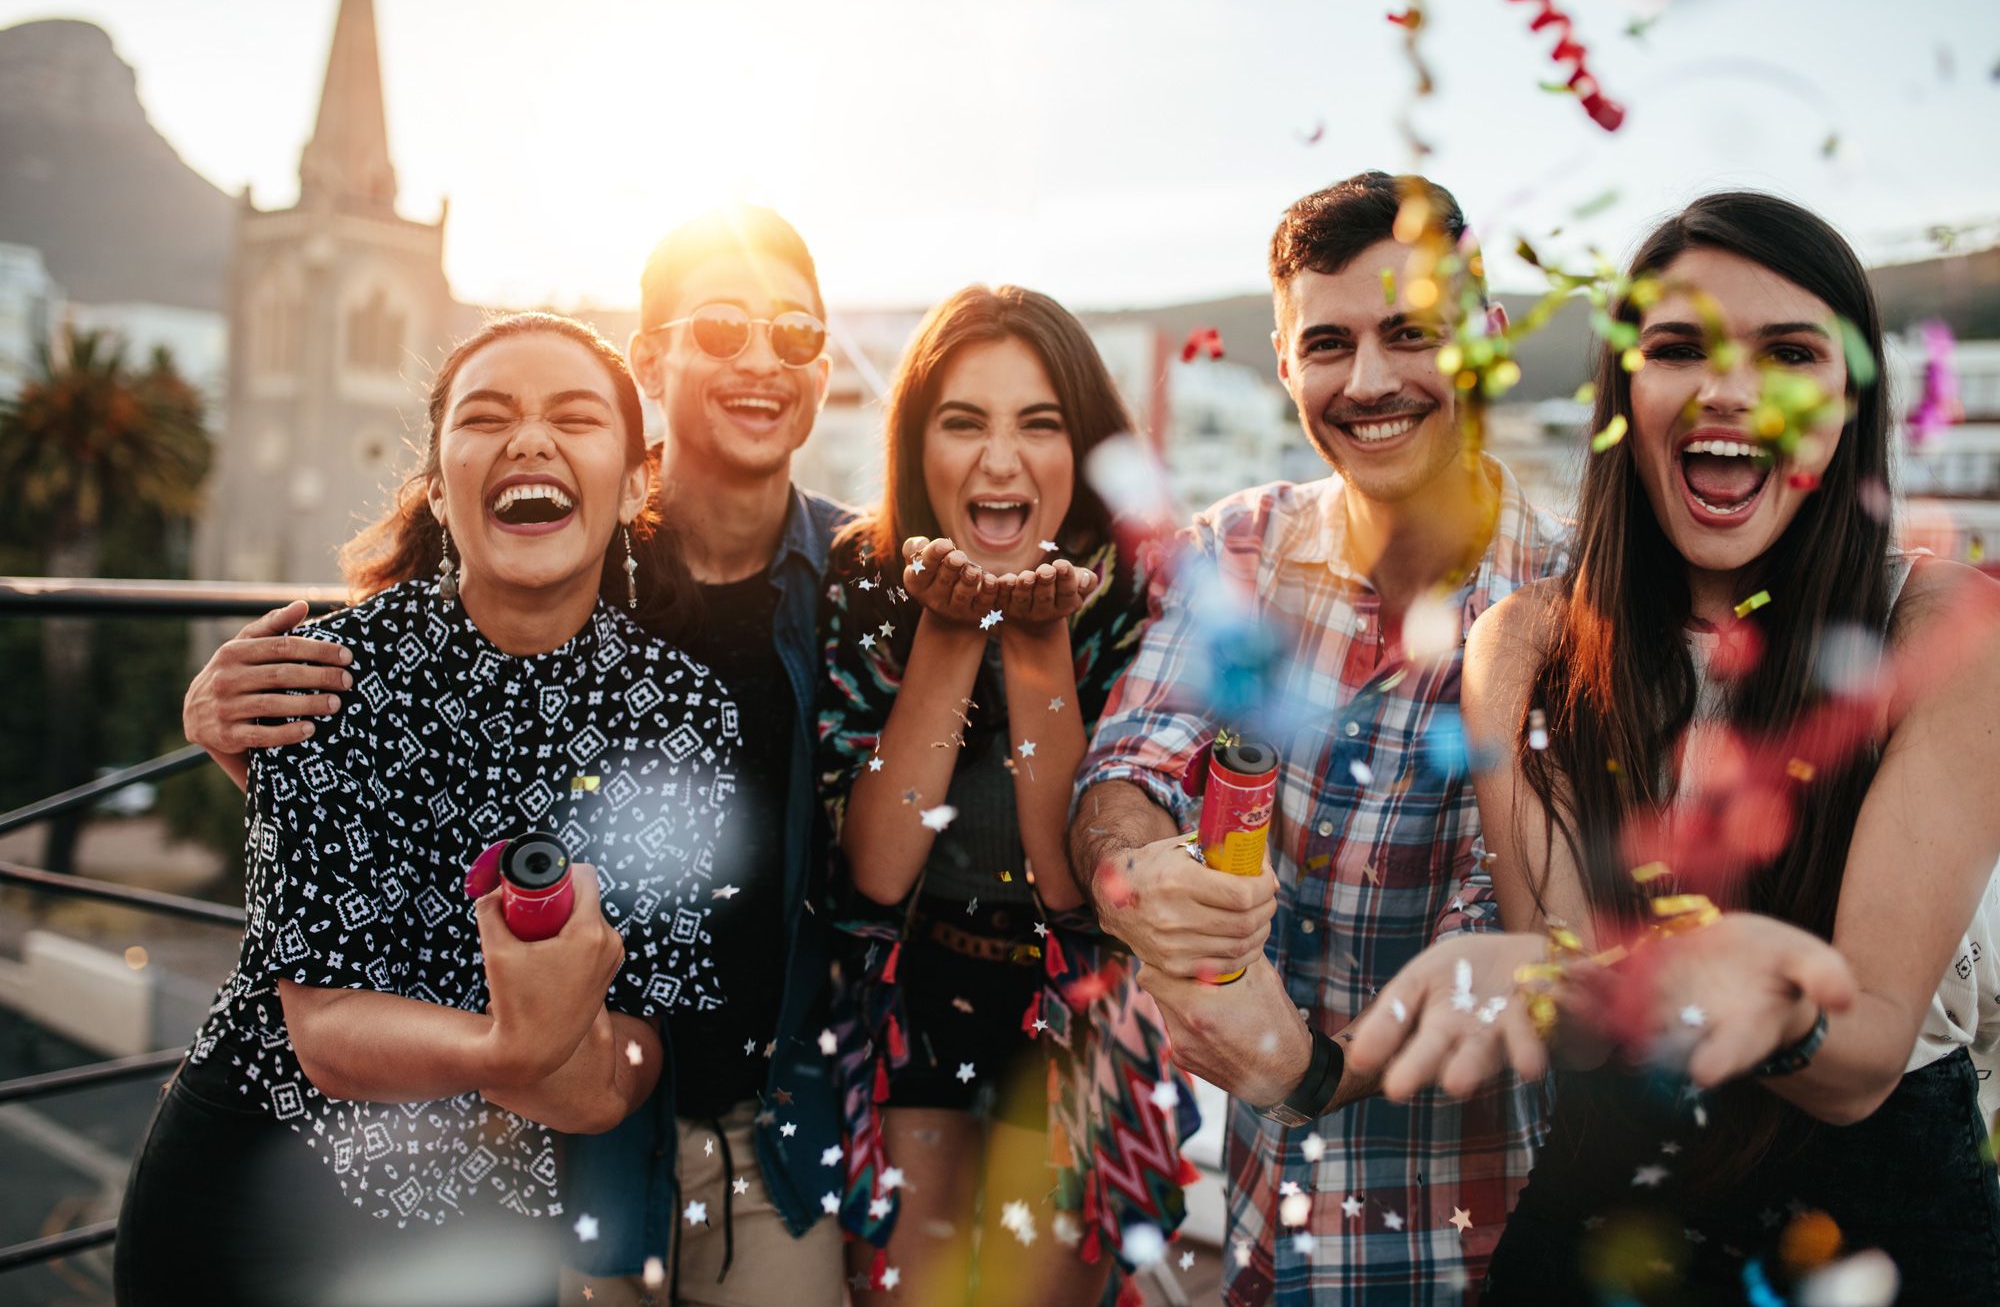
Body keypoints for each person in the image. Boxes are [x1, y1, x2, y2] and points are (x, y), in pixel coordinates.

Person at [178, 209, 851, 1305]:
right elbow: (399, 730)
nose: (760, 360)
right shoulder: (542, 551)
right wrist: (224, 710)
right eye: (721, 329)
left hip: (732, 1103)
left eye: (794, 332)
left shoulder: (859, 582)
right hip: (535, 1131)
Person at [1347, 191, 2000, 1303]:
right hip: (1609, 1207)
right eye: (1676, 347)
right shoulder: (1518, 646)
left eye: (1788, 351)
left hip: (1881, 1226)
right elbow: (1570, 1008)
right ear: (1622, 396)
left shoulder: (1944, 633)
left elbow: (1862, 1059)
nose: (1726, 387)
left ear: (1848, 404)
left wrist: (1762, 997)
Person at [116, 312, 736, 1306]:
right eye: (487, 417)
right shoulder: (324, 673)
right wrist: (520, 1046)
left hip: (487, 1228)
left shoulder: (684, 712)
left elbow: (620, 1070)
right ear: (441, 490)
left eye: (573, 417)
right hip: (252, 1189)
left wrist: (558, 1058)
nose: (529, 440)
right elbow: (323, 1030)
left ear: (633, 484)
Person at [1064, 171, 1568, 1303]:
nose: (1370, 380)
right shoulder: (1238, 546)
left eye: (1412, 334)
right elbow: (1127, 763)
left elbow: (1531, 931)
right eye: (1328, 343)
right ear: (1285, 363)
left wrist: (1312, 1074)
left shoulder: (1576, 593)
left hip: (1490, 1247)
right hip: (1266, 1238)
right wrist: (1137, 866)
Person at [817, 285, 1194, 1304]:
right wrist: (947, 634)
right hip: (916, 985)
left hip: (1075, 1002)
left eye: (1039, 423)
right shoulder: (864, 575)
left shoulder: (1138, 588)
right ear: (914, 445)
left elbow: (1073, 893)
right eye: (962, 422)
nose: (998, 459)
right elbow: (879, 866)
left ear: (1081, 449)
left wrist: (1035, 651)